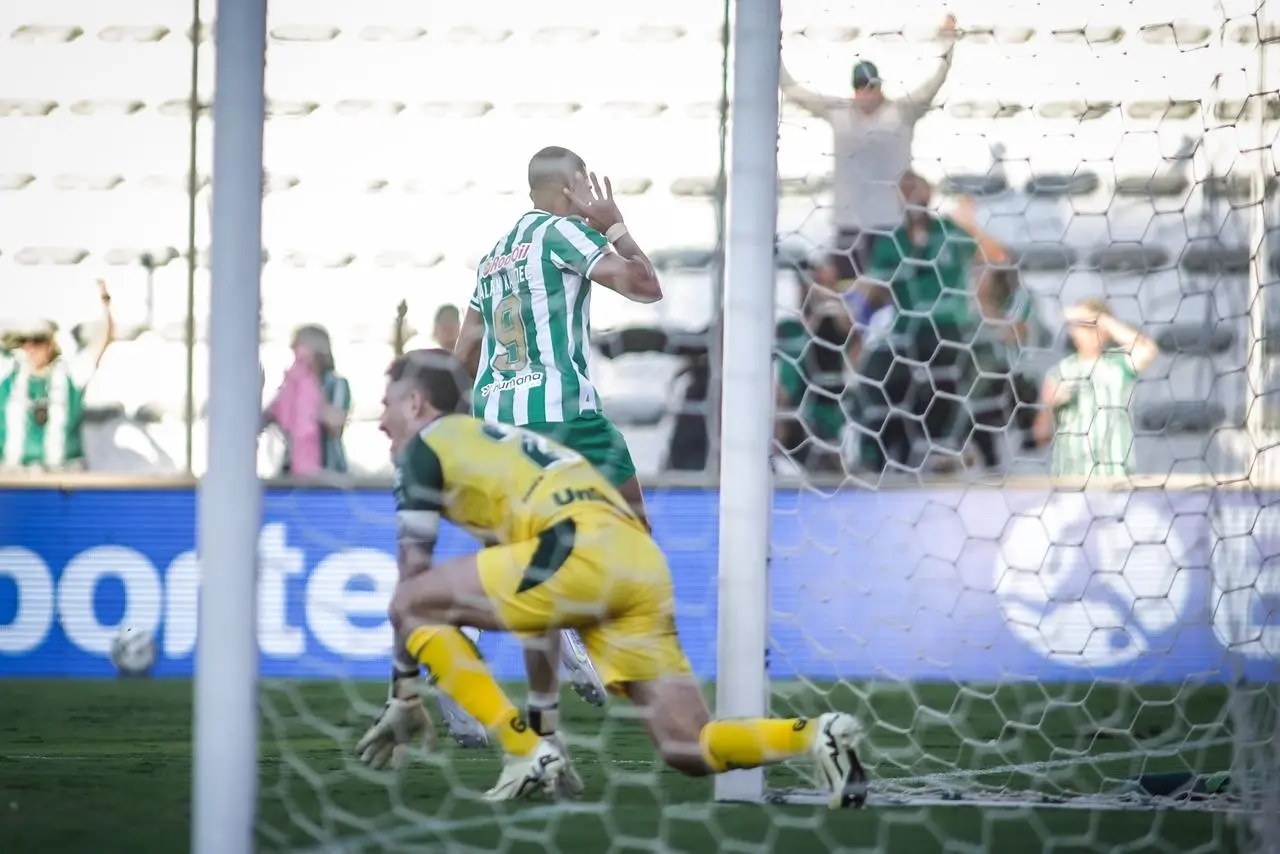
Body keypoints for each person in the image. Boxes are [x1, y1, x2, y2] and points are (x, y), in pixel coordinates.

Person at [357, 350, 868, 805]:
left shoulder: (426, 447)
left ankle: (521, 751)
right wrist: (546, 727)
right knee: (686, 745)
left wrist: (404, 694)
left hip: (574, 549)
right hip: (635, 560)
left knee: (411, 602)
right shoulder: (500, 448)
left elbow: (412, 585)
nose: (381, 423)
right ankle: (816, 735)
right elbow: (540, 616)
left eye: (386, 405)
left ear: (416, 403)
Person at [452, 146, 662, 728]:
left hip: (496, 415)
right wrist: (613, 224)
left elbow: (465, 350)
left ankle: (458, 661)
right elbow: (645, 286)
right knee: (633, 525)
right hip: (564, 414)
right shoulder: (559, 234)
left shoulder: (493, 259)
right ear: (568, 187)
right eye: (583, 187)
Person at [780, 15, 957, 289]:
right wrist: (772, 45)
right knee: (842, 294)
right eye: (860, 86)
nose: (866, 92)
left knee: (888, 292)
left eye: (871, 86)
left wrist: (948, 42)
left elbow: (935, 82)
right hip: (848, 225)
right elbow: (794, 91)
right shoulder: (837, 113)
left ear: (880, 87)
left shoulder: (901, 113)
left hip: (890, 226)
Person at [0, 278, 115, 471]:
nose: (31, 348)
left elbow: (103, 341)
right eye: (25, 342)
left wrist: (105, 304)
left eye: (37, 341)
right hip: (15, 474)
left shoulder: (70, 374)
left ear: (50, 344)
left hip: (62, 474)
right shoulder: (9, 375)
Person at [1034, 300, 1158, 477]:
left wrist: (1104, 321)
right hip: (1071, 480)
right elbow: (1040, 436)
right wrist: (1047, 407)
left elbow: (1148, 350)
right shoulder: (1059, 372)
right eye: (1082, 326)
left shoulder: (1120, 363)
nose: (1089, 333)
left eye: (1094, 325)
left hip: (1115, 477)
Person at [262, 325, 351, 476]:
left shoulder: (336, 383)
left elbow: (335, 423)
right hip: (291, 472)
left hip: (328, 471)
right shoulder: (291, 385)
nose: (294, 350)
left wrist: (311, 392)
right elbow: (264, 420)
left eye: (299, 345)